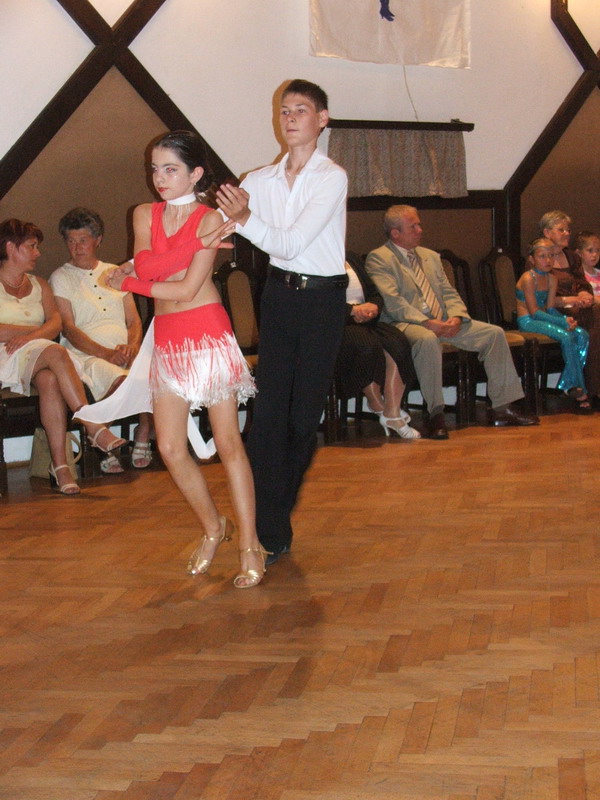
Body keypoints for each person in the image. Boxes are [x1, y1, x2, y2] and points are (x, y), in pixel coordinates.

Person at [76, 131, 265, 588]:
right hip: (168, 338)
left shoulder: (210, 218)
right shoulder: (145, 213)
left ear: (195, 173)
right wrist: (189, 247)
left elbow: (182, 288)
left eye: (171, 169)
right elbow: (151, 266)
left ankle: (250, 544)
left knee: (228, 444)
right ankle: (214, 528)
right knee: (170, 448)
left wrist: (127, 280)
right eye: (155, 168)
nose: (159, 178)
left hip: (207, 334)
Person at [216, 79, 348, 566]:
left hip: (322, 303)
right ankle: (268, 524)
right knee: (268, 414)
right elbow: (216, 227)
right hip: (279, 297)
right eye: (284, 111)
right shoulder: (258, 180)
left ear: (322, 119)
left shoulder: (331, 177)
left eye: (301, 110)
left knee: (302, 418)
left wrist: (245, 217)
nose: (290, 118)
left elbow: (290, 243)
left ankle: (274, 511)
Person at [365, 205, 538, 439]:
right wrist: (428, 322)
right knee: (428, 340)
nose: (420, 230)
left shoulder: (430, 256)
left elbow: (448, 292)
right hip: (406, 324)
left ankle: (502, 408)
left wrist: (456, 316)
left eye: (419, 224)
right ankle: (435, 413)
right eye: (413, 226)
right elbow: (393, 302)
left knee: (494, 334)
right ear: (395, 233)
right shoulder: (379, 258)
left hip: (444, 321)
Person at [0, 218, 125, 494]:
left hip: (34, 353)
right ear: (11, 248)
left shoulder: (39, 284)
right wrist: (34, 333)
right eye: (31, 246)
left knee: (49, 380)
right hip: (5, 356)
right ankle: (92, 425)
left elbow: (55, 324)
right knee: (56, 351)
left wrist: (30, 337)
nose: (37, 253)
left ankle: (61, 467)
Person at [50, 207, 152, 474]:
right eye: (71, 241)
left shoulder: (115, 272)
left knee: (157, 377)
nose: (77, 247)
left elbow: (134, 321)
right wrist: (107, 354)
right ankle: (103, 441)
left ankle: (143, 431)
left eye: (83, 240)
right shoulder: (61, 277)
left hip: (125, 352)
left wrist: (133, 346)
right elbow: (69, 329)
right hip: (87, 355)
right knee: (122, 381)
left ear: (98, 240)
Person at [335, 252, 420, 438]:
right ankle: (377, 404)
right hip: (337, 324)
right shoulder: (316, 261)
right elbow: (319, 301)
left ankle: (392, 411)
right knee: (366, 344)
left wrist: (373, 306)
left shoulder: (351, 258)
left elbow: (374, 292)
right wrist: (352, 311)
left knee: (397, 342)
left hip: (365, 320)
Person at [516, 238, 590, 412]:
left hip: (544, 318)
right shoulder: (528, 278)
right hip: (529, 321)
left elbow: (550, 309)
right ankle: (579, 390)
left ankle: (569, 383)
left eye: (551, 256)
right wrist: (561, 322)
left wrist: (566, 319)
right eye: (542, 256)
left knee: (582, 335)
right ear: (532, 259)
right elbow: (534, 312)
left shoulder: (551, 279)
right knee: (566, 336)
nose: (547, 260)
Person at [540, 210, 600, 400]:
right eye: (561, 230)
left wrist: (583, 293)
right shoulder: (539, 258)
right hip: (552, 310)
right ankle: (591, 388)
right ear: (547, 233)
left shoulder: (571, 257)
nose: (567, 233)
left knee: (593, 317)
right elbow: (542, 297)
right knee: (595, 316)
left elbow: (582, 282)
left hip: (577, 308)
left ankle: (588, 387)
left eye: (568, 230)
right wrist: (572, 300)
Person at [574, 230, 600, 302]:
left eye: (598, 250)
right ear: (579, 253)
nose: (595, 254)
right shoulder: (579, 275)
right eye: (590, 250)